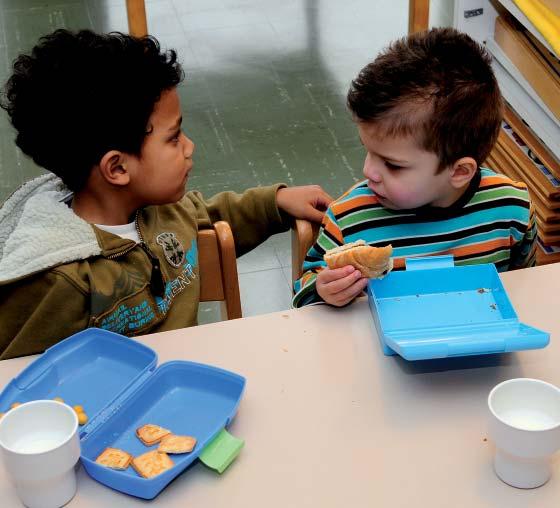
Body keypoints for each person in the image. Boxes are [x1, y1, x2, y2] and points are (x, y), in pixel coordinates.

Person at [0, 29, 332, 359]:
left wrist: (274, 202)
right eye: (174, 138)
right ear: (117, 168)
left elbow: (210, 217)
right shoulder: (61, 281)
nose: (189, 146)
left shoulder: (160, 212)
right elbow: (18, 380)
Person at [293, 27, 536, 308]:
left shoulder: (510, 209)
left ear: (459, 172)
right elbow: (306, 292)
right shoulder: (349, 220)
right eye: (368, 150)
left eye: (393, 165)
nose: (368, 171)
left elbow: (526, 286)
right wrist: (322, 291)